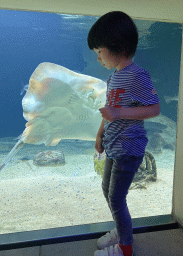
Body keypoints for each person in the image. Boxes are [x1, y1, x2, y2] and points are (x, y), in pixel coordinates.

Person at [87, 11, 160, 256]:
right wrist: (99, 136)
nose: (98, 58)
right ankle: (121, 230)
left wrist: (119, 114)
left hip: (129, 148)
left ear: (117, 46)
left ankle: (125, 248)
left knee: (117, 199)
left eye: (99, 51)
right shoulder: (114, 77)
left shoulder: (137, 75)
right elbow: (109, 111)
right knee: (107, 189)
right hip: (114, 146)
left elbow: (154, 108)